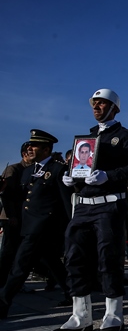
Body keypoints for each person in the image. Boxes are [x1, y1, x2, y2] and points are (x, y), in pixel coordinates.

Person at [52, 89, 128, 331]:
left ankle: (113, 316)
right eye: (94, 103)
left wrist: (110, 175)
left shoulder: (125, 136)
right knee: (75, 257)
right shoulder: (87, 138)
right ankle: (80, 316)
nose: (97, 107)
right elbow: (78, 166)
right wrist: (70, 178)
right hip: (83, 205)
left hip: (108, 204)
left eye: (102, 103)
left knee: (108, 258)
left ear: (115, 108)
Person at [0, 130, 73, 319]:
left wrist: (71, 227)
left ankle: (2, 303)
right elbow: (24, 198)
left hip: (43, 227)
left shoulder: (58, 170)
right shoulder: (28, 171)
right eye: (29, 145)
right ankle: (72, 293)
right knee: (53, 264)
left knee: (20, 266)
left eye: (35, 146)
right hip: (28, 226)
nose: (30, 148)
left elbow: (66, 202)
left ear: (46, 149)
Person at [0, 143, 32, 288]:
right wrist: (11, 215)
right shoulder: (14, 169)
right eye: (30, 151)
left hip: (26, 217)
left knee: (21, 253)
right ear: (24, 154)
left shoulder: (33, 169)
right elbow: (7, 196)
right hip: (11, 217)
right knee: (8, 252)